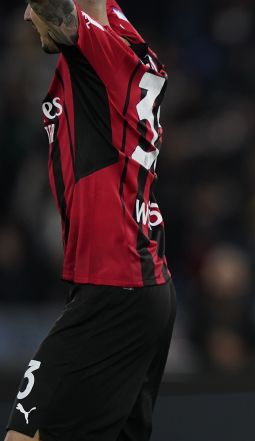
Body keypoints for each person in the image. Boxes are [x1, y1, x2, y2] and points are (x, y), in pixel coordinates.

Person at [6, 1, 176, 440]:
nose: (27, 16)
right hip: (139, 285)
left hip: (114, 287)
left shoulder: (100, 53)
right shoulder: (121, 36)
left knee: (26, 434)